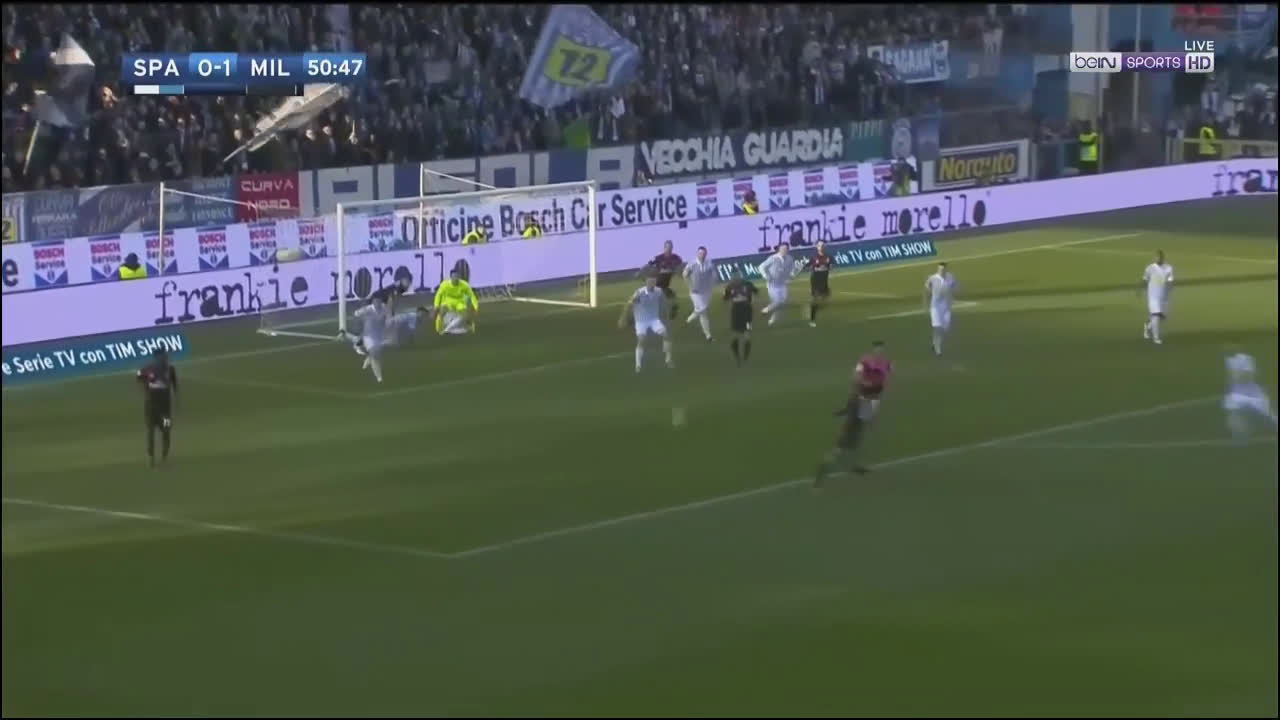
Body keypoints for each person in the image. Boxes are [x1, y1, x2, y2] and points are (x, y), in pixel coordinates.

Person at [813, 340, 893, 487]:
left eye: (881, 349)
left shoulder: (885, 365)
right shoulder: (864, 362)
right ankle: (821, 474)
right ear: (873, 350)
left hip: (864, 404)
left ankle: (852, 465)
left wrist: (871, 411)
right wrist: (851, 407)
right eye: (877, 349)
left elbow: (883, 384)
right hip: (859, 405)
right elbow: (856, 378)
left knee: (858, 437)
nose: (879, 352)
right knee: (841, 447)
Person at [618, 272, 674, 373]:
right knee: (641, 340)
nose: (652, 284)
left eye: (653, 282)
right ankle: (638, 365)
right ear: (646, 283)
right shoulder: (639, 293)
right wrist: (623, 318)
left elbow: (664, 303)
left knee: (666, 335)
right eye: (650, 282)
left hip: (654, 319)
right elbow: (629, 304)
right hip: (641, 321)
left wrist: (667, 314)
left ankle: (668, 359)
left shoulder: (658, 291)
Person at [1223, 348, 1278, 441]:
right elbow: (1231, 378)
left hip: (1252, 392)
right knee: (1232, 413)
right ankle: (1239, 435)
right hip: (1236, 393)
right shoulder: (1228, 360)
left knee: (1269, 414)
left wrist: (1239, 375)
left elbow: (1250, 376)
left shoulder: (1245, 358)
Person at [136, 348, 179, 467]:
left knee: (165, 430)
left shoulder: (169, 369)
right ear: (158, 357)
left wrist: (145, 383)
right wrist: (145, 382)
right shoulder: (150, 368)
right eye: (163, 356)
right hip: (154, 408)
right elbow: (139, 375)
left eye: (164, 356)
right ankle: (152, 457)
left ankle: (163, 456)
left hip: (163, 409)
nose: (165, 357)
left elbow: (175, 387)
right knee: (153, 430)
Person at [722, 270, 758, 366]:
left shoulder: (730, 286)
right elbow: (756, 292)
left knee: (738, 334)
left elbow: (725, 298)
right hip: (746, 311)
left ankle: (739, 358)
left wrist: (730, 295)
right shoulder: (747, 283)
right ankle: (744, 358)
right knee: (746, 333)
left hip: (737, 311)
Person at [643, 240, 685, 320]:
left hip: (665, 286)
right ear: (664, 248)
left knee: (674, 299)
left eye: (670, 247)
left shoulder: (675, 258)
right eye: (667, 247)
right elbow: (649, 264)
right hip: (657, 285)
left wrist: (680, 272)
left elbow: (680, 266)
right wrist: (642, 271)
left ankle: (671, 313)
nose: (669, 249)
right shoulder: (659, 258)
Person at [758, 242, 797, 326]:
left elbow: (792, 268)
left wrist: (792, 274)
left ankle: (773, 319)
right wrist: (765, 276)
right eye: (782, 249)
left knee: (782, 302)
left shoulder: (789, 258)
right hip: (772, 284)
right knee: (777, 301)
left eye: (786, 249)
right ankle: (765, 310)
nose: (784, 250)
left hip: (782, 284)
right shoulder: (773, 258)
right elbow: (761, 267)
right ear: (779, 249)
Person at [682, 246, 716, 342]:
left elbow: (714, 274)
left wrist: (712, 283)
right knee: (703, 311)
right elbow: (684, 274)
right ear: (697, 254)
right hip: (695, 292)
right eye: (700, 253)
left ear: (706, 254)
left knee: (699, 310)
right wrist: (690, 286)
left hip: (706, 291)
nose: (702, 255)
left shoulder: (709, 263)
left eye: (703, 253)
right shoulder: (692, 263)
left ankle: (688, 320)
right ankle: (708, 335)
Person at [923, 262, 957, 356]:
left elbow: (954, 287)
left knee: (943, 328)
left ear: (946, 269)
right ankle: (938, 349)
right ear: (938, 269)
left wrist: (951, 297)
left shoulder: (950, 277)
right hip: (935, 306)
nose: (941, 271)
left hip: (946, 306)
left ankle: (935, 343)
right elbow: (927, 290)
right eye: (940, 269)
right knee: (937, 327)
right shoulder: (932, 278)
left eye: (943, 269)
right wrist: (926, 304)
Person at [434, 268, 480, 335]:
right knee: (442, 310)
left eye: (457, 276)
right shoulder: (444, 285)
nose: (455, 278)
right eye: (454, 276)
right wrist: (436, 305)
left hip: (459, 302)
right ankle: (438, 328)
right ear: (451, 277)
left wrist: (476, 307)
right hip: (448, 302)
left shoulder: (464, 285)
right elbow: (438, 295)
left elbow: (472, 295)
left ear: (459, 277)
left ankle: (468, 325)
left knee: (466, 313)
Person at [1141, 250, 1174, 345]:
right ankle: (1156, 338)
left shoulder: (1168, 268)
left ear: (1163, 258)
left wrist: (1169, 289)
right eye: (1157, 257)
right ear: (1154, 258)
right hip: (1153, 296)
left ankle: (1147, 326)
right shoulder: (1150, 268)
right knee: (1156, 315)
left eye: (1160, 257)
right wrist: (1139, 290)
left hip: (1163, 295)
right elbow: (1144, 279)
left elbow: (1170, 280)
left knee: (1161, 316)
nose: (1158, 259)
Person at [806, 240, 832, 327]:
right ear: (817, 247)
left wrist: (827, 269)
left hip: (824, 281)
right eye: (820, 245)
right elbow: (807, 266)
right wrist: (814, 268)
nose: (821, 247)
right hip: (815, 281)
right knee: (815, 300)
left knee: (825, 299)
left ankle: (811, 309)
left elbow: (830, 267)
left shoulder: (828, 256)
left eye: (822, 245)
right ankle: (812, 320)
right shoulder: (814, 257)